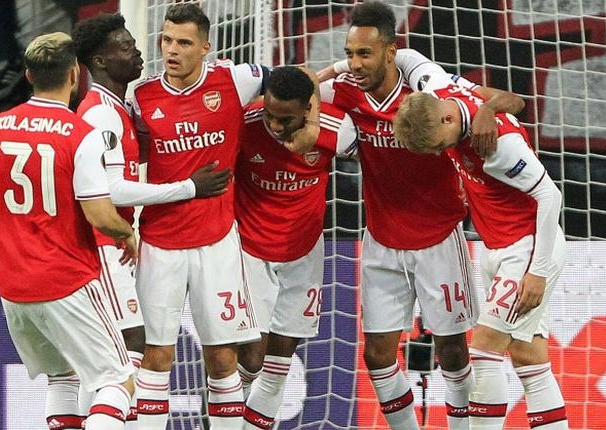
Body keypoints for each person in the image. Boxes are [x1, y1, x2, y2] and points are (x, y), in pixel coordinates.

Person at [317, 2, 525, 429]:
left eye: (365, 54)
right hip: (380, 241)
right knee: (376, 356)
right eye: (350, 54)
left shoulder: (430, 93)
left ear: (391, 52)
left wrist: (486, 110)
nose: (355, 64)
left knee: (452, 352)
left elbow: (512, 100)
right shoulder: (344, 92)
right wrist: (316, 77)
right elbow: (288, 92)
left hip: (439, 239)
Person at [0, 32, 138, 430]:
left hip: (15, 289)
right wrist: (125, 232)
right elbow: (98, 215)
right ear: (76, 75)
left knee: (63, 377)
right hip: (68, 280)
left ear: (28, 75)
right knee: (117, 381)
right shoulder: (81, 135)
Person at [130, 3, 321, 428]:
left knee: (222, 358)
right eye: (166, 40)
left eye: (183, 42)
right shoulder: (139, 97)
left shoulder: (236, 79)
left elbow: (300, 76)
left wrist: (313, 123)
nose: (171, 50)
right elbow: (132, 162)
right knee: (157, 356)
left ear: (206, 47)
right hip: (160, 244)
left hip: (218, 243)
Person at [71, 13, 232, 426]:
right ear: (102, 61)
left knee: (118, 358)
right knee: (127, 356)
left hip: (115, 246)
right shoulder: (100, 115)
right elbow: (112, 190)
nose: (141, 50)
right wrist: (187, 188)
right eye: (126, 47)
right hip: (102, 249)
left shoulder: (119, 108)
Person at [394, 78, 568, 430]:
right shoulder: (442, 90)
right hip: (498, 249)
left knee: (485, 352)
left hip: (526, 251)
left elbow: (551, 196)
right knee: (529, 358)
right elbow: (409, 57)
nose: (436, 152)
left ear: (446, 121)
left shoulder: (499, 147)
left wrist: (538, 270)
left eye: (436, 145)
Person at [232, 66, 357, 429]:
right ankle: (222, 421)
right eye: (269, 113)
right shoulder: (246, 122)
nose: (273, 124)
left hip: (303, 255)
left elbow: (383, 157)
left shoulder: (336, 130)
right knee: (251, 358)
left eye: (283, 118)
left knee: (278, 365)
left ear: (308, 108)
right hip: (249, 250)